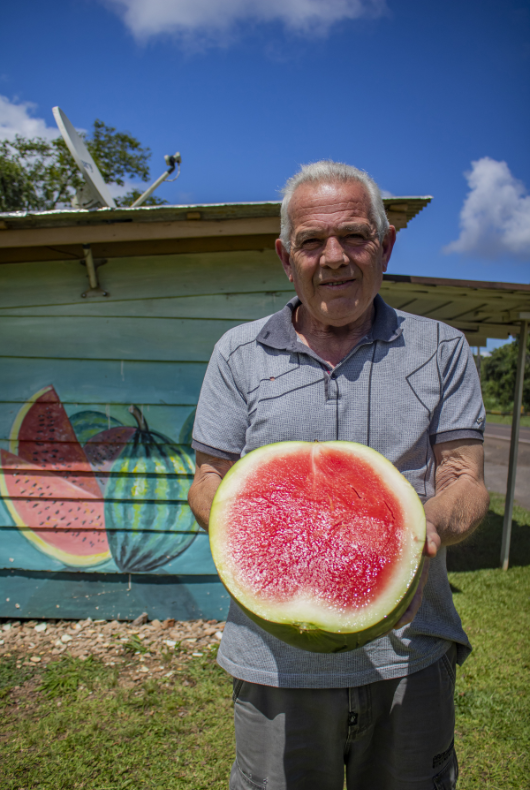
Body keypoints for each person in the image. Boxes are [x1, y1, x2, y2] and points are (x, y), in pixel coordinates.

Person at [188, 160, 490, 790]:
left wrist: (422, 528)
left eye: (355, 236)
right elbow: (209, 478)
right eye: (311, 242)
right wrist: (255, 530)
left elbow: (466, 479)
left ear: (386, 244)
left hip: (411, 656)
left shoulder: (441, 348)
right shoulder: (237, 354)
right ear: (284, 255)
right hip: (273, 667)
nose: (334, 258)